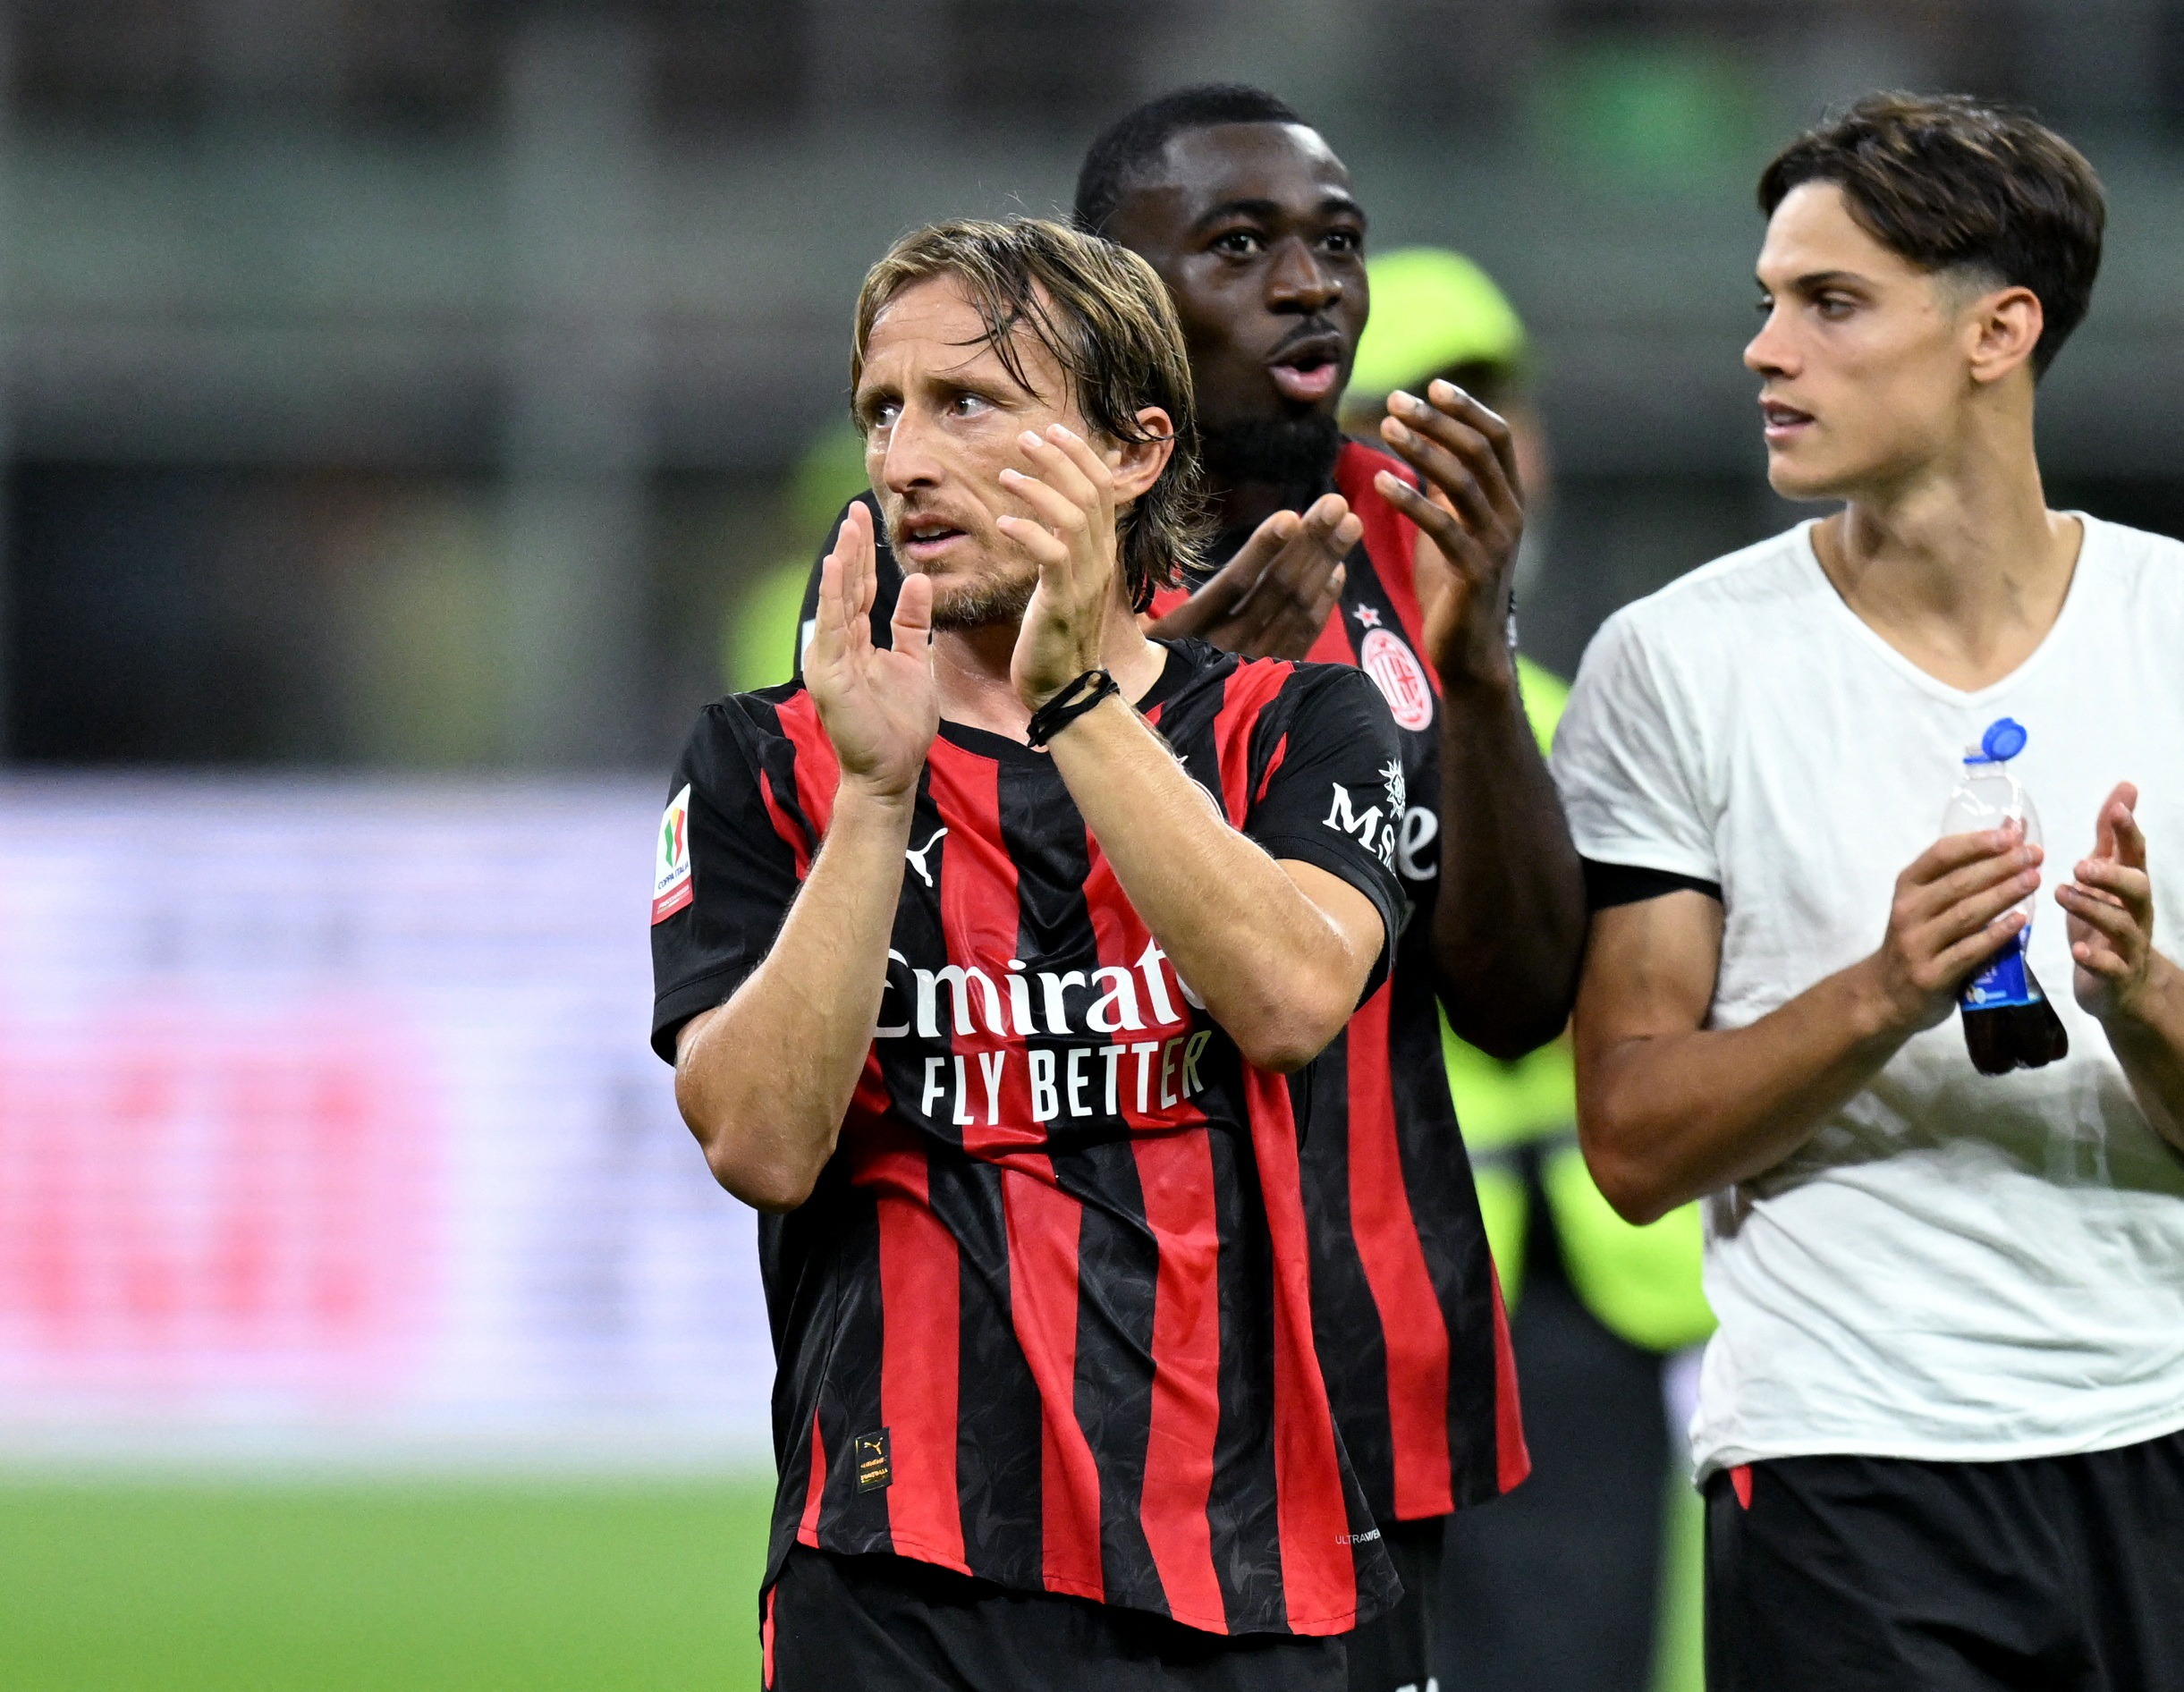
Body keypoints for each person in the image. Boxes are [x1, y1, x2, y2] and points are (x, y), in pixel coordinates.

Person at [792, 85, 1588, 1692]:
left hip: (1361, 1347)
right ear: (1117, 295)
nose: (1310, 286)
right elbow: (938, 944)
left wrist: (1476, 667)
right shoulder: (956, 566)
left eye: (1333, 244)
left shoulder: (1412, 534)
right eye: (1239, 247)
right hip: (1050, 1373)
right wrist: (1181, 701)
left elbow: (1514, 1000)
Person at [657, 216, 1421, 1689]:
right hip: (894, 1562)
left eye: (969, 403)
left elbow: (1285, 999)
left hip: (1245, 1566)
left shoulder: (1290, 728)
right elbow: (757, 1140)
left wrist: (1074, 703)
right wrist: (878, 799)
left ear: (1133, 452)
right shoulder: (767, 758)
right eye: (883, 408)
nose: (903, 458)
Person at [1556, 93, 2184, 1690]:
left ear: (1999, 332)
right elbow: (1627, 1142)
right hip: (1844, 1458)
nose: (1767, 351)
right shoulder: (1674, 662)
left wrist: (2145, 1006)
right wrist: (1880, 991)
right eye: (1765, 304)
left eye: (1829, 305)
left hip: (2157, 1429)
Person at [1351, 245, 1714, 1692]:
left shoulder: (1568, 712)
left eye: (1498, 426)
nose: (1474, 472)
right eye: (1426, 428)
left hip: (1581, 1294)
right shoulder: (1270, 711)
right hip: (1380, 1283)